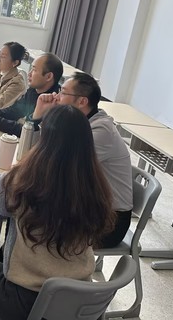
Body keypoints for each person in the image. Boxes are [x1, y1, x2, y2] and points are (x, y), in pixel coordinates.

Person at [0, 105, 116, 320]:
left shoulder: (26, 182)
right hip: (80, 300)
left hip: (28, 302)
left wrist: (15, 171)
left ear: (44, 138)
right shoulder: (95, 186)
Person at [33, 72, 133, 247]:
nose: (56, 96)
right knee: (28, 208)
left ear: (82, 101)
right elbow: (39, 155)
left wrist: (49, 117)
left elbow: (56, 165)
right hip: (87, 207)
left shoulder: (100, 131)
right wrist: (39, 115)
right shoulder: (77, 123)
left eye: (63, 92)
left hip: (109, 221)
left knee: (33, 217)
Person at [0, 53, 62, 137]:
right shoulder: (33, 90)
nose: (29, 73)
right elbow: (15, 111)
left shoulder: (54, 102)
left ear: (48, 76)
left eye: (34, 70)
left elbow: (27, 132)